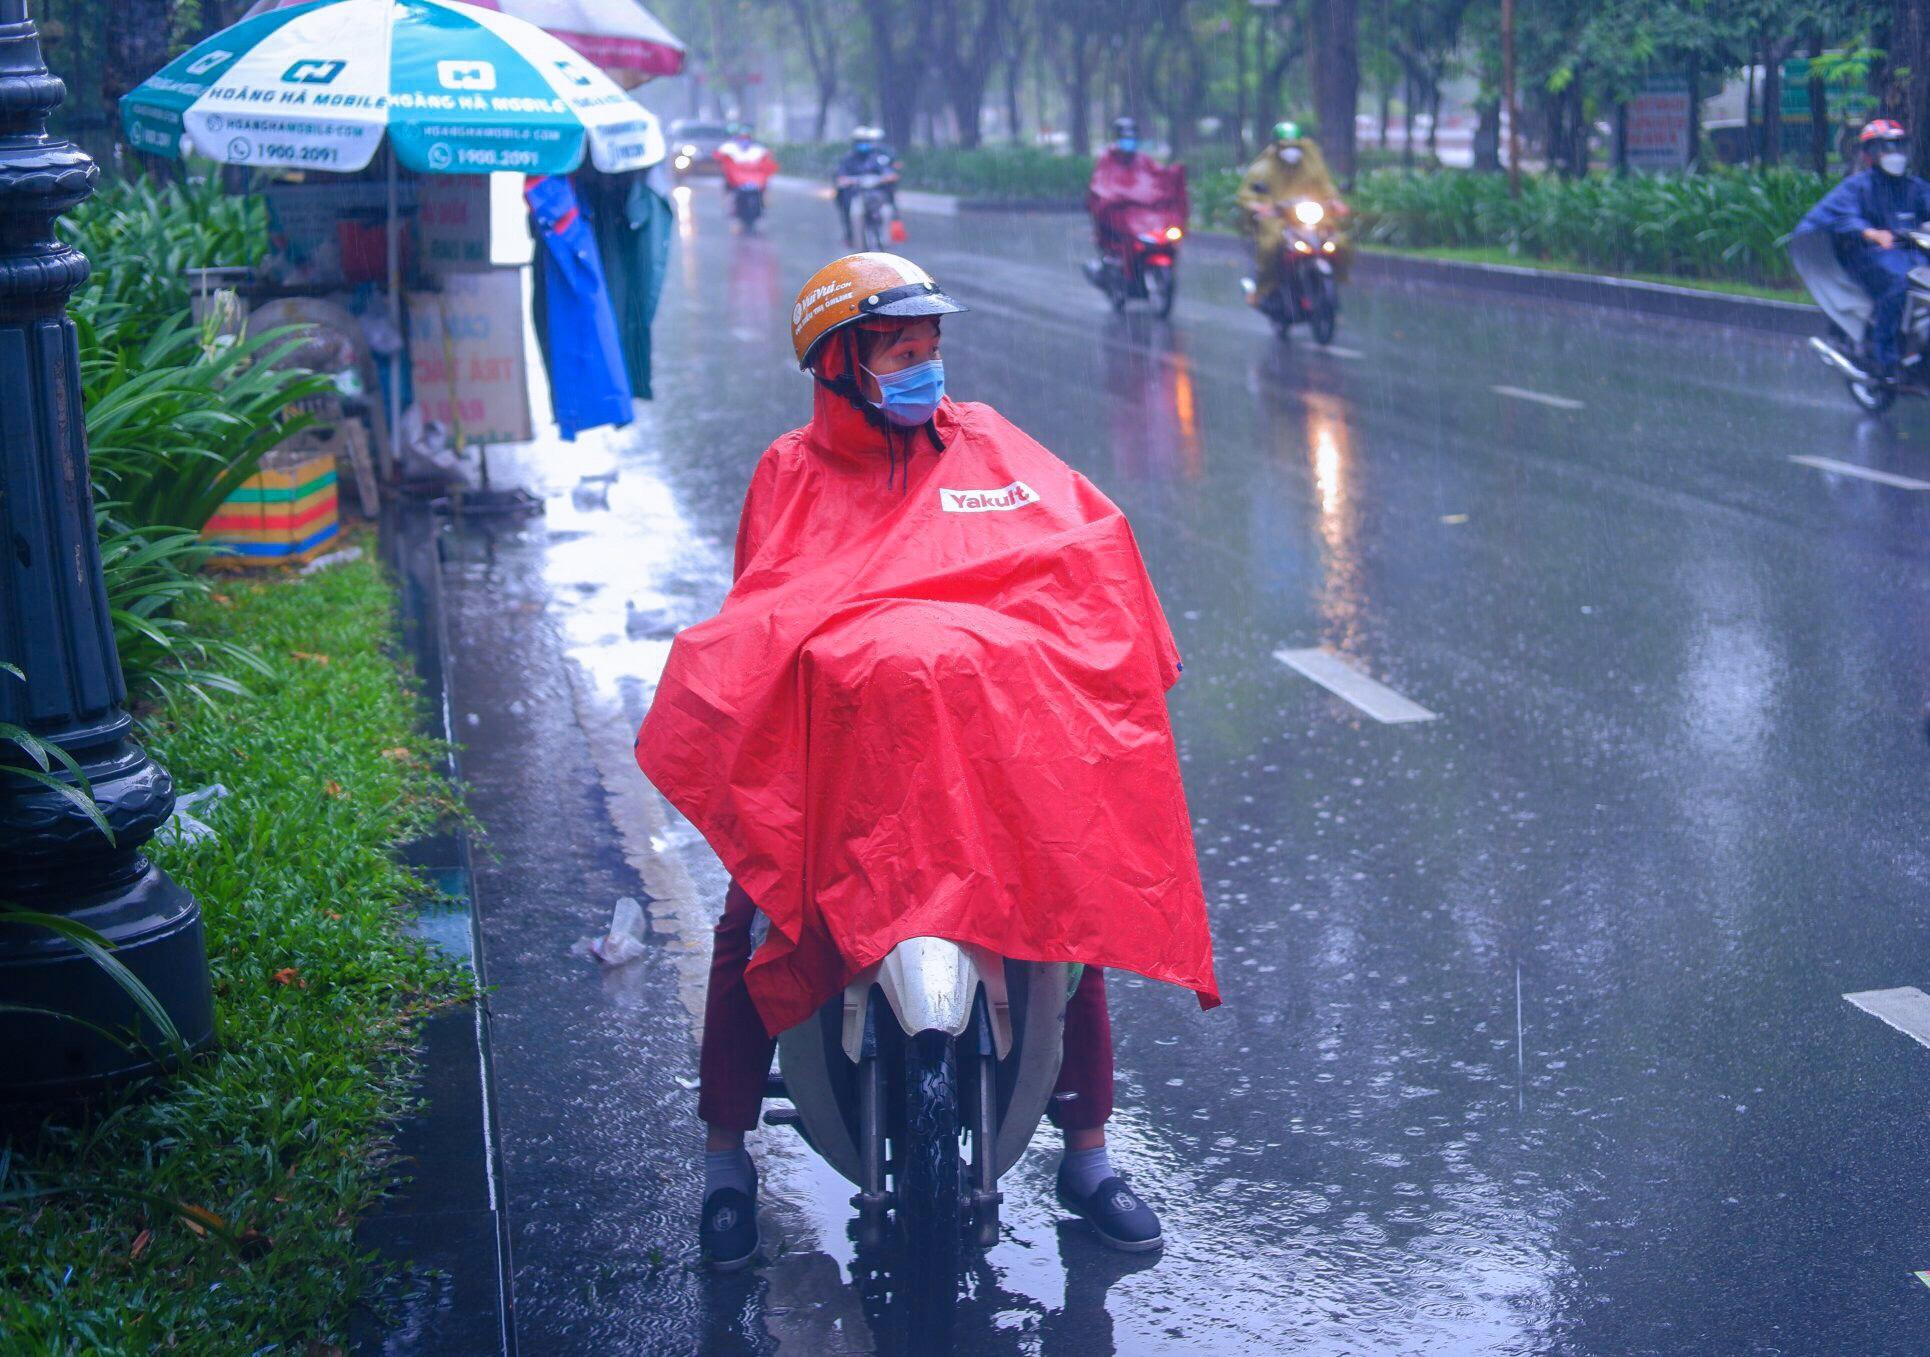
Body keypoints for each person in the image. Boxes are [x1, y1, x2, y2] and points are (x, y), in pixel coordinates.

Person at [633, 253, 1219, 1271]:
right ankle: (726, 1156)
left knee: (1066, 913)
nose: (924, 369)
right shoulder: (791, 473)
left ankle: (1087, 1154)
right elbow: (766, 623)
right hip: (845, 777)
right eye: (901, 351)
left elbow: (1086, 550)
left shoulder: (987, 444)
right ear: (840, 366)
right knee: (751, 913)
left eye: (930, 348)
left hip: (990, 768)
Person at [1796, 119, 1930, 382]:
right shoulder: (1858, 186)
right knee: (1899, 286)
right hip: (1870, 257)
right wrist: (1870, 232)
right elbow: (1841, 216)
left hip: (1912, 253)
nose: (1895, 155)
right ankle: (1886, 361)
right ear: (1871, 154)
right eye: (1886, 148)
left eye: (1898, 147)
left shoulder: (1914, 186)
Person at [1235, 120, 1341, 306]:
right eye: (1286, 147)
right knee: (1271, 246)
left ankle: (1332, 284)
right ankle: (1262, 288)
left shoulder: (1311, 167)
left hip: (1306, 219)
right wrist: (1258, 205)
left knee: (1339, 243)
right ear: (1276, 147)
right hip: (1277, 220)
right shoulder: (1263, 169)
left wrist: (1334, 201)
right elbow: (1247, 193)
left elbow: (1325, 186)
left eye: (1295, 146)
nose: (1291, 151)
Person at [1084, 115, 1189, 279]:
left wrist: (1175, 175)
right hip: (1121, 215)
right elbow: (1101, 185)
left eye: (1132, 138)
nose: (1129, 143)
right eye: (1125, 139)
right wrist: (1113, 196)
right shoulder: (1106, 160)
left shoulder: (1143, 160)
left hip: (1144, 216)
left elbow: (1158, 178)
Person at [834, 125, 900, 247]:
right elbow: (840, 177)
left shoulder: (877, 158)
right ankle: (857, 244)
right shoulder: (848, 159)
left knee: (886, 212)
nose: (863, 144)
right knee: (855, 214)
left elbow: (890, 174)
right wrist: (850, 181)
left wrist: (883, 178)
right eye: (860, 141)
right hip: (858, 194)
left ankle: (886, 240)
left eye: (865, 141)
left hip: (878, 195)